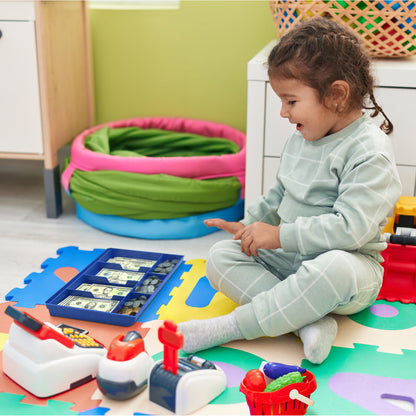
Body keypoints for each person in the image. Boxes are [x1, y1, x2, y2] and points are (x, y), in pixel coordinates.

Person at [177, 17, 402, 365]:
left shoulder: (369, 152)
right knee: (221, 257)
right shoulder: (302, 138)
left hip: (349, 268)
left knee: (334, 268)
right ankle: (307, 321)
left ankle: (231, 327)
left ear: (337, 95)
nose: (283, 112)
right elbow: (280, 193)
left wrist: (279, 235)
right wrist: (249, 226)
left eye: (291, 101)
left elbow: (350, 229)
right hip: (288, 262)